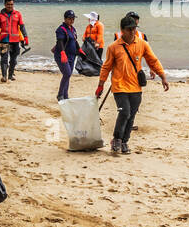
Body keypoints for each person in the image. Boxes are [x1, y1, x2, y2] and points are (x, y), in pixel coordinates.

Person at [96, 16, 169, 155]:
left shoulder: (142, 44)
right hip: (119, 86)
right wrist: (100, 85)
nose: (133, 31)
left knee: (132, 115)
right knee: (124, 112)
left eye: (134, 28)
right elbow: (106, 67)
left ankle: (124, 142)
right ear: (122, 30)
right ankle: (116, 139)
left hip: (135, 86)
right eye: (129, 29)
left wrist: (163, 77)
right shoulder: (113, 47)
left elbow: (153, 60)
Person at [0, 0, 28, 83]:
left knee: (13, 60)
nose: (10, 6)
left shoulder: (18, 14)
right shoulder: (0, 16)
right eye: (8, 4)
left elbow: (22, 27)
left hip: (15, 41)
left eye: (11, 4)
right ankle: (4, 76)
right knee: (4, 59)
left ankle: (10, 75)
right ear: (5, 4)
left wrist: (25, 37)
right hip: (4, 41)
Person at [53, 9, 79, 101]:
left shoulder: (73, 29)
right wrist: (62, 52)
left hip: (72, 56)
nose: (71, 20)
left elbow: (75, 41)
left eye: (73, 19)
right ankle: (60, 95)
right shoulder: (61, 29)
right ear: (65, 19)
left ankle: (65, 95)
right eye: (69, 18)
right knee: (67, 73)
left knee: (68, 75)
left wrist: (79, 50)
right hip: (61, 56)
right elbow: (60, 42)